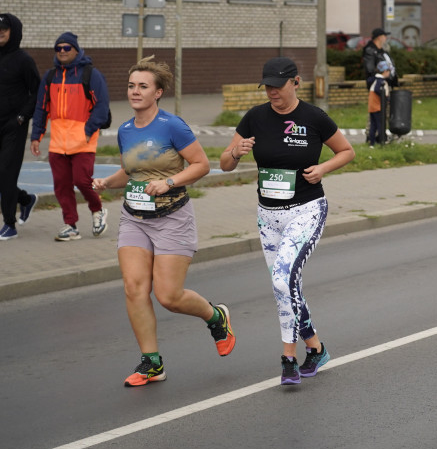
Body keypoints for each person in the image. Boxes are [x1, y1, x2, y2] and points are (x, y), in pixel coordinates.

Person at [92, 58, 236, 387]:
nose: (135, 91)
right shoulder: (126, 130)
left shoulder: (173, 126)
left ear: (158, 92)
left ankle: (216, 317)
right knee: (134, 288)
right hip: (135, 217)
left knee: (168, 296)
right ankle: (152, 363)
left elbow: (201, 165)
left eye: (143, 86)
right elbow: (132, 172)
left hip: (172, 217)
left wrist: (169, 183)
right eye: (131, 86)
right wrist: (106, 182)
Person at [219, 57, 354, 385]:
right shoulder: (255, 117)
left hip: (306, 210)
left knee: (283, 280)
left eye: (277, 86)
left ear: (295, 82)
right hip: (268, 216)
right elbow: (224, 163)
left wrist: (322, 168)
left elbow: (346, 151)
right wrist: (237, 152)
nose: (271, 92)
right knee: (285, 286)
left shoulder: (313, 117)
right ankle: (316, 348)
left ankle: (288, 357)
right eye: (267, 86)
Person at [30, 32, 110, 241]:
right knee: (62, 186)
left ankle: (97, 209)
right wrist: (36, 136)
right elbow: (41, 108)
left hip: (83, 141)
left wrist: (88, 130)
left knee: (82, 181)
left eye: (67, 48)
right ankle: (70, 225)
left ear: (76, 49)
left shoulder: (91, 74)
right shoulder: (50, 76)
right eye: (59, 48)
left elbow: (101, 106)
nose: (62, 52)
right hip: (57, 143)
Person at [0, 13, 41, 240]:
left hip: (13, 126)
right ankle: (25, 200)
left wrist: (22, 117)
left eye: (4, 29)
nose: (0, 33)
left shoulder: (23, 60)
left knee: (6, 173)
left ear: (13, 31)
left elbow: (37, 92)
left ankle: (9, 224)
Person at [367, 60, 390, 146]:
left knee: (373, 126)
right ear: (384, 71)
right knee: (381, 125)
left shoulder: (374, 79)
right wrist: (385, 98)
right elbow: (377, 90)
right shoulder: (381, 81)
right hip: (378, 107)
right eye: (388, 71)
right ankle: (382, 141)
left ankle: (372, 143)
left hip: (372, 107)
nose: (389, 73)